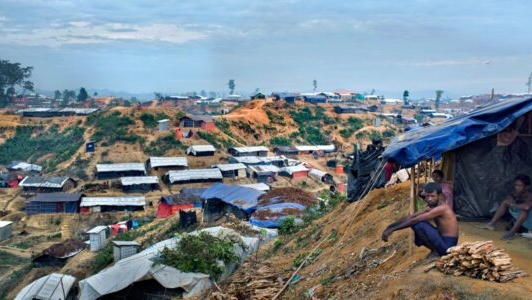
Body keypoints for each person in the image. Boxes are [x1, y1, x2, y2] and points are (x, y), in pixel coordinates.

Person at [382, 182, 458, 258]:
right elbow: (412, 216)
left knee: (419, 223)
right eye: (427, 196)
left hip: (447, 248)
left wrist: (392, 229)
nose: (430, 199)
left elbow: (415, 220)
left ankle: (436, 252)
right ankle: (435, 250)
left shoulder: (442, 208)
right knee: (416, 221)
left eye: (433, 196)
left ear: (440, 195)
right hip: (443, 242)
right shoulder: (434, 207)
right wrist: (390, 227)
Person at [479, 174, 532, 240]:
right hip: (525, 221)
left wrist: (513, 204)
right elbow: (509, 196)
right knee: (505, 202)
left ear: (527, 187)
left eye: (520, 185)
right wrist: (510, 200)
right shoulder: (518, 193)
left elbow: (527, 207)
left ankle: (512, 232)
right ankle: (490, 224)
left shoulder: (530, 196)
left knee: (524, 210)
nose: (517, 187)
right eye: (516, 185)